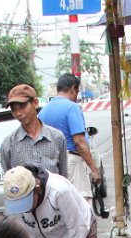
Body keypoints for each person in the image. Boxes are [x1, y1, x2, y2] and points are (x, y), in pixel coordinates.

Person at [3, 164, 97, 238]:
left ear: (37, 189)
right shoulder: (17, 202)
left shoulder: (59, 190)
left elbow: (77, 228)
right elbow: (29, 234)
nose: (24, 210)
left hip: (81, 234)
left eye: (26, 202)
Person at [38, 73, 100, 201]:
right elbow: (79, 143)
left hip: (50, 164)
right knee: (81, 206)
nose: (76, 96)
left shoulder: (44, 111)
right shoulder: (72, 107)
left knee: (59, 205)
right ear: (73, 89)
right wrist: (94, 169)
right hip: (71, 162)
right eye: (77, 92)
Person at [0, 83, 68, 178]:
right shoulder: (8, 144)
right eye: (14, 109)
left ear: (35, 103)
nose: (18, 113)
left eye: (22, 106)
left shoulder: (57, 137)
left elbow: (64, 177)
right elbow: (10, 182)